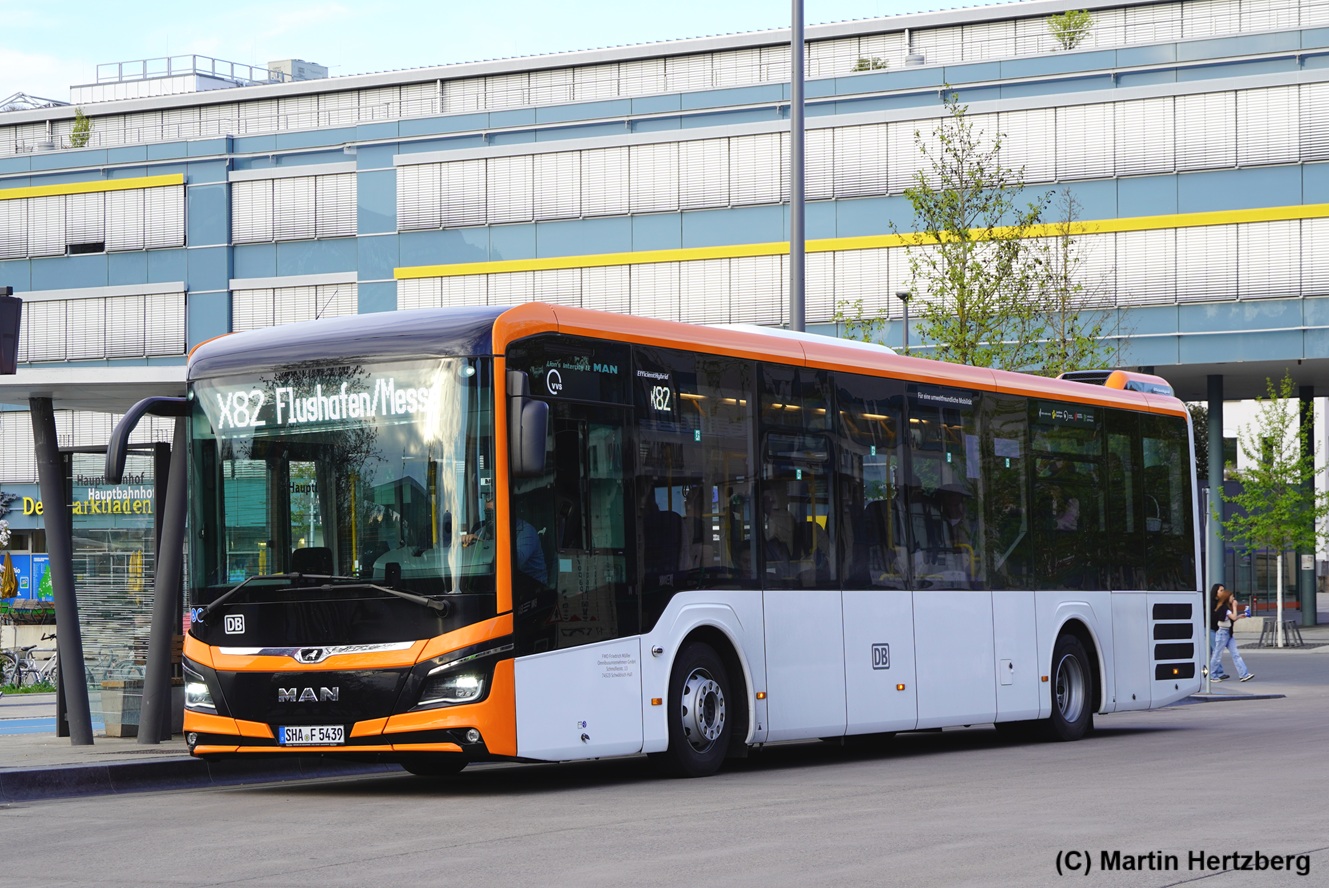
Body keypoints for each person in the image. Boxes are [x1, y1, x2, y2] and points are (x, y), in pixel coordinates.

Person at [463, 491, 548, 585]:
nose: (491, 519)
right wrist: (465, 543)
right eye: (488, 513)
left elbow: (513, 562)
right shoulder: (482, 532)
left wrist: (485, 545)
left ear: (506, 512)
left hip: (530, 586)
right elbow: (471, 561)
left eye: (494, 513)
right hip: (496, 584)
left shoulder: (526, 532)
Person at [1209, 583, 1253, 682]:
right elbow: (1232, 617)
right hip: (1222, 633)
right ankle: (1212, 675)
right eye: (1232, 597)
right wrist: (1235, 607)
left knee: (1235, 654)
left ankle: (1244, 674)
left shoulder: (1225, 608)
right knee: (1217, 654)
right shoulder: (1223, 608)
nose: (1233, 599)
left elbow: (1231, 618)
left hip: (1228, 634)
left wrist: (1239, 616)